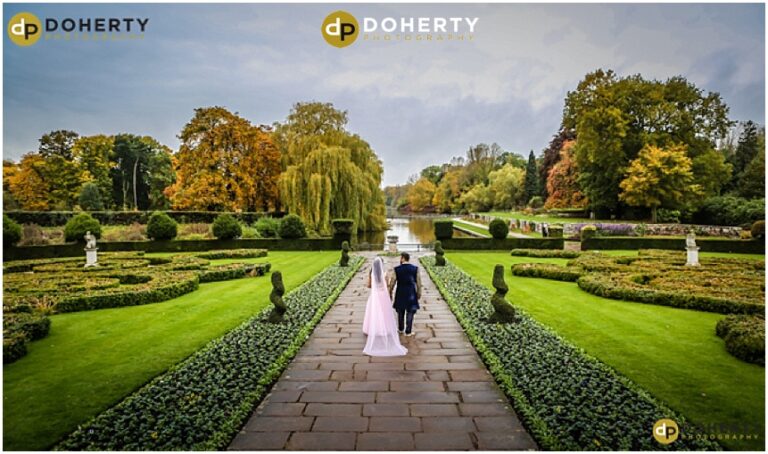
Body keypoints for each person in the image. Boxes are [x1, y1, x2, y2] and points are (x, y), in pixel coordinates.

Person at [362, 257, 408, 356]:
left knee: (374, 312)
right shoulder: (385, 273)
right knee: (384, 313)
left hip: (375, 296)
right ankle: (385, 328)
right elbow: (386, 285)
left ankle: (372, 329)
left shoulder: (371, 274)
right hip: (383, 295)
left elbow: (369, 285)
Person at [389, 252, 422, 337]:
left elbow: (392, 282)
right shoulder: (415, 269)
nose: (400, 260)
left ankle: (400, 329)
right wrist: (419, 293)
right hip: (411, 292)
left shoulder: (397, 269)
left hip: (400, 291)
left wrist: (390, 292)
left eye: (400, 258)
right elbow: (418, 283)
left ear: (403, 258)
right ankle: (408, 331)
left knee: (400, 311)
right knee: (410, 311)